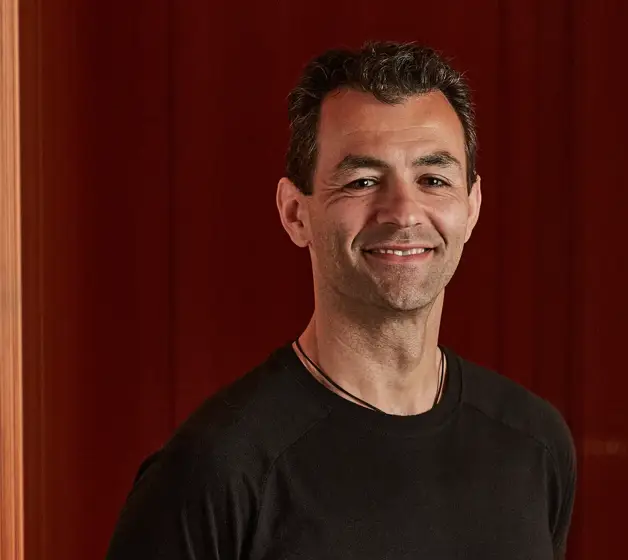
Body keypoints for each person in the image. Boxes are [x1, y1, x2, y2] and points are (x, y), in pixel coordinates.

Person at [106, 41, 576, 559]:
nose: (403, 212)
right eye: (363, 180)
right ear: (294, 213)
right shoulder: (216, 471)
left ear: (472, 206)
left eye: (433, 179)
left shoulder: (533, 444)